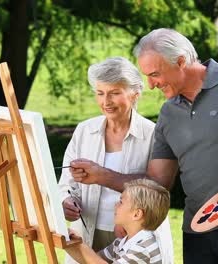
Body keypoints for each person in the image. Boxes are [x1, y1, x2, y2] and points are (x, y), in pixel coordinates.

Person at [69, 28, 218, 263]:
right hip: (196, 231)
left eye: (155, 74)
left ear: (181, 61)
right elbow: (158, 182)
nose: (151, 85)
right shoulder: (168, 113)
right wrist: (100, 176)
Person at [58, 57, 173, 263]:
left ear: (135, 94)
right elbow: (66, 183)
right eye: (100, 93)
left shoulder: (154, 135)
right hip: (87, 230)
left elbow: (159, 187)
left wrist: (101, 176)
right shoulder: (84, 131)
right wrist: (66, 201)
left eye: (114, 93)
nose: (106, 102)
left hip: (135, 234)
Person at [65, 178, 170, 264]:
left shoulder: (142, 248)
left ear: (136, 214)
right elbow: (92, 259)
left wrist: (80, 245)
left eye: (121, 202)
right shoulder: (122, 242)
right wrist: (71, 243)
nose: (115, 205)